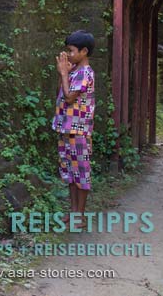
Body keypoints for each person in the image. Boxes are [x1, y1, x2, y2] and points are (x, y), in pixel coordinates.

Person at [52, 30, 96, 228]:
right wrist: (66, 73)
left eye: (71, 50)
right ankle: (73, 212)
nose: (68, 54)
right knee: (70, 173)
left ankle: (80, 215)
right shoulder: (74, 71)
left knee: (81, 173)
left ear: (84, 51)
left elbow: (70, 97)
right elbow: (62, 93)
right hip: (66, 128)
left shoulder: (86, 73)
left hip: (79, 131)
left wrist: (63, 73)